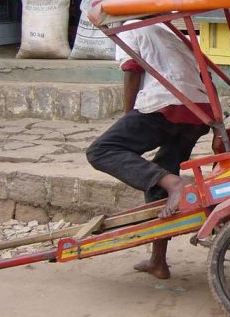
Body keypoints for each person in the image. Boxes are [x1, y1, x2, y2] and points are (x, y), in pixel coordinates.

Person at [86, 22, 212, 279]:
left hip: (166, 106)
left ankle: (175, 183)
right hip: (198, 112)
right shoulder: (170, 32)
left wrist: (128, 113)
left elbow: (132, 71)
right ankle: (158, 262)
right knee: (158, 182)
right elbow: (202, 74)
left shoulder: (131, 29)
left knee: (100, 151)